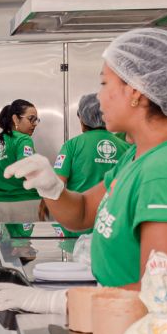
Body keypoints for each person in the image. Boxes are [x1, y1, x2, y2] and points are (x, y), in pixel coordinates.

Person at [0, 28, 167, 310]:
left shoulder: (163, 171)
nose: (99, 96)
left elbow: (157, 292)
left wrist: (59, 301)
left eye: (105, 83)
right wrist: (52, 189)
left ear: (136, 91)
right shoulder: (137, 155)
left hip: (136, 326)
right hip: (115, 316)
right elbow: (84, 212)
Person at [51, 94, 128, 236]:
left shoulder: (72, 145)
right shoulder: (126, 148)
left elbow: (57, 184)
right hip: (110, 225)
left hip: (77, 226)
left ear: (82, 119)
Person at [0, 98, 41, 223]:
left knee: (1, 237)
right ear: (16, 119)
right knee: (28, 237)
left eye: (36, 120)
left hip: (0, 205)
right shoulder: (23, 140)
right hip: (26, 203)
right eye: (31, 119)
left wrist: (2, 182)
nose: (35, 124)